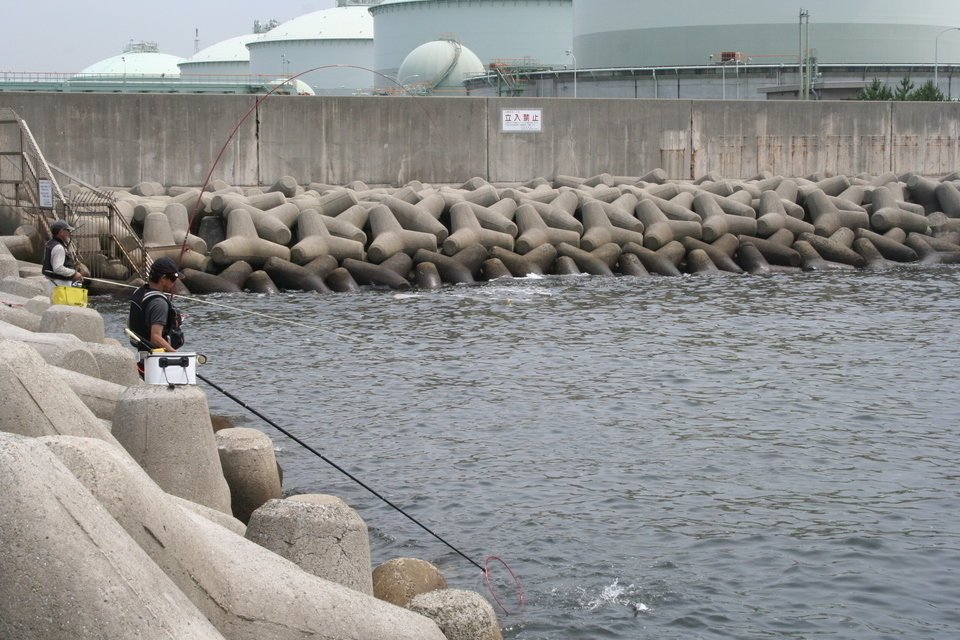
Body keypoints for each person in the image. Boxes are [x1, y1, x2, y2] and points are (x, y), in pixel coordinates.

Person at [127, 257, 185, 353]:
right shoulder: (159, 303)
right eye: (173, 279)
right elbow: (155, 337)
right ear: (163, 278)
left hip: (141, 354)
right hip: (156, 360)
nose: (174, 283)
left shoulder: (138, 292)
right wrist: (174, 353)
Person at [41, 220, 84, 287]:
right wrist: (74, 273)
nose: (69, 233)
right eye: (67, 230)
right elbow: (58, 268)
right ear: (61, 232)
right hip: (60, 284)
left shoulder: (50, 243)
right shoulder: (59, 247)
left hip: (53, 283)